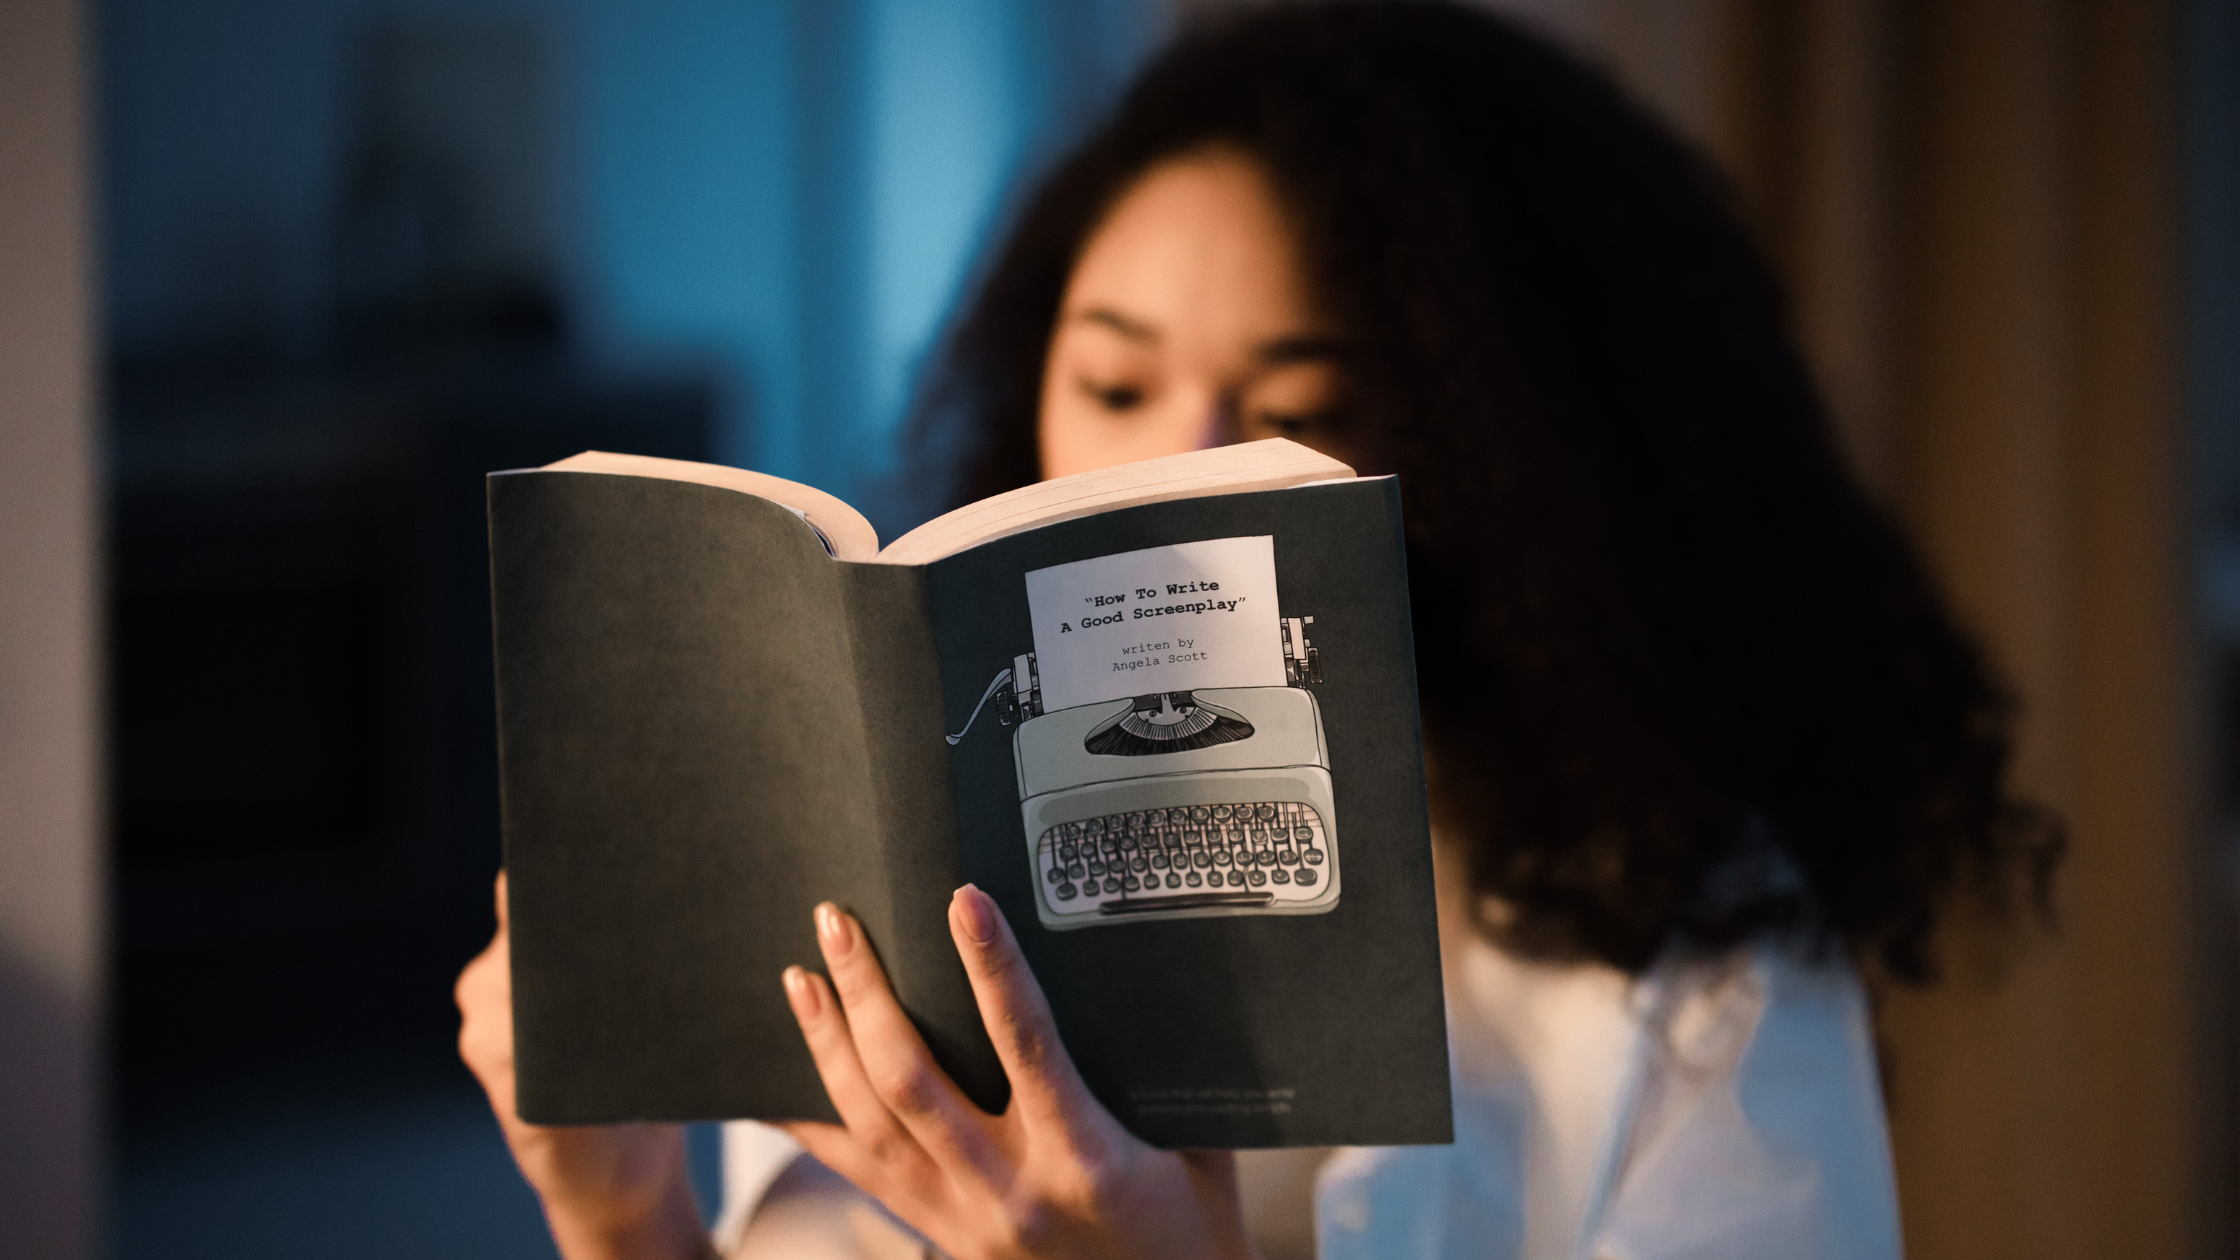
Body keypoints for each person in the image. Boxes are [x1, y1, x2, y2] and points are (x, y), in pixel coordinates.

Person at [456, 5, 2059, 1257]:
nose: (1179, 474)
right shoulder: (888, 851)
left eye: (1299, 410)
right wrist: (624, 1220)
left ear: (1510, 462)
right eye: (1115, 382)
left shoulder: (1697, 960)